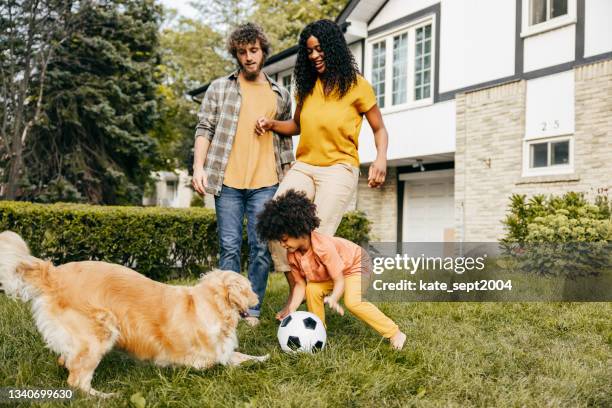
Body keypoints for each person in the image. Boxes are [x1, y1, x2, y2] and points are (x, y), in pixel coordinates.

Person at [255, 19, 390, 307]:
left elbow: (379, 128)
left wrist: (380, 159)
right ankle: (298, 287)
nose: (314, 56)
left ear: (333, 48)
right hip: (305, 165)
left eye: (319, 49)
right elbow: (296, 125)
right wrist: (271, 124)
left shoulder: (357, 86)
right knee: (275, 223)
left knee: (318, 236)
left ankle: (318, 300)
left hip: (339, 167)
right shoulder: (307, 86)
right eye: (309, 51)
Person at [192, 23, 294, 326]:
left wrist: (288, 179)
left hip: (266, 183)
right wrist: (199, 167)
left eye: (253, 50)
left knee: (261, 248)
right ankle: (228, 310)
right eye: (242, 52)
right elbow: (204, 129)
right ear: (236, 55)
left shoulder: (280, 95)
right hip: (228, 182)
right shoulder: (220, 88)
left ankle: (252, 309)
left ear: (263, 51)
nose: (248, 57)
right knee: (229, 248)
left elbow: (287, 137)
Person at [256, 189, 406, 350]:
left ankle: (394, 332)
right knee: (312, 289)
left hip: (357, 264)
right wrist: (291, 308)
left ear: (298, 230)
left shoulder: (323, 247)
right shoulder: (292, 254)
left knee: (353, 302)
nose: (282, 244)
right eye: (279, 241)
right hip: (337, 272)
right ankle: (319, 333)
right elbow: (300, 285)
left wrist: (334, 298)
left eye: (284, 239)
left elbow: (339, 280)